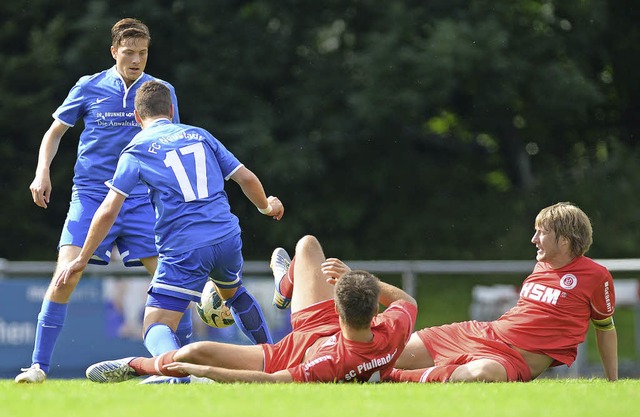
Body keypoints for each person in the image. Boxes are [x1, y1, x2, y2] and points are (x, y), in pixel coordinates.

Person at [55, 80, 284, 383]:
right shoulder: (200, 135)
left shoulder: (135, 150)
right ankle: (273, 359)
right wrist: (266, 207)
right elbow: (245, 177)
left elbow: (109, 209)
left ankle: (173, 374)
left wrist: (82, 257)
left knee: (155, 324)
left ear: (137, 117)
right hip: (227, 236)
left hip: (185, 246)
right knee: (233, 293)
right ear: (172, 110)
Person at [16, 18, 194, 384]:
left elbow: (173, 142)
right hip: (93, 195)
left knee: (170, 282)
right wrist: (41, 172)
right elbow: (54, 133)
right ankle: (37, 368)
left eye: (143, 53)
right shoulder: (89, 86)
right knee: (66, 276)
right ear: (114, 51)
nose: (136, 60)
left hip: (142, 199)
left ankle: (186, 369)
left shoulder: (160, 91)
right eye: (129, 52)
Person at [84, 234, 418, 383]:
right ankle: (283, 287)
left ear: (338, 308)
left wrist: (209, 374)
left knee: (196, 352)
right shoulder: (392, 331)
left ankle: (135, 365)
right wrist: (358, 280)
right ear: (376, 312)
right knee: (307, 246)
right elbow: (407, 302)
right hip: (328, 329)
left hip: (290, 352)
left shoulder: (329, 362)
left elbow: (267, 381)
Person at [390, 202, 618, 383]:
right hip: (483, 333)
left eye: (542, 233)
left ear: (565, 241)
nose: (533, 240)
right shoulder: (541, 265)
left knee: (480, 373)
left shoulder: (596, 276)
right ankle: (363, 366)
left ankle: (394, 378)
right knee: (392, 352)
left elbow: (605, 328)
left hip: (511, 361)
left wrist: (612, 381)